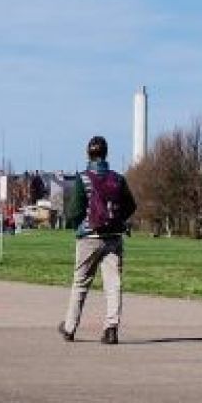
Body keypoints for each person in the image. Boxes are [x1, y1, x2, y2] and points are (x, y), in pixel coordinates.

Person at [58, 135, 137, 345]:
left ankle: (69, 326)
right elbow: (131, 205)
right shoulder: (118, 179)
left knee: (81, 283)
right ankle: (111, 328)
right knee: (113, 284)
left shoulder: (82, 179)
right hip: (114, 237)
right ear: (106, 153)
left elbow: (74, 210)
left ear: (88, 154)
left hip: (89, 237)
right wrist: (118, 219)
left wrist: (79, 224)